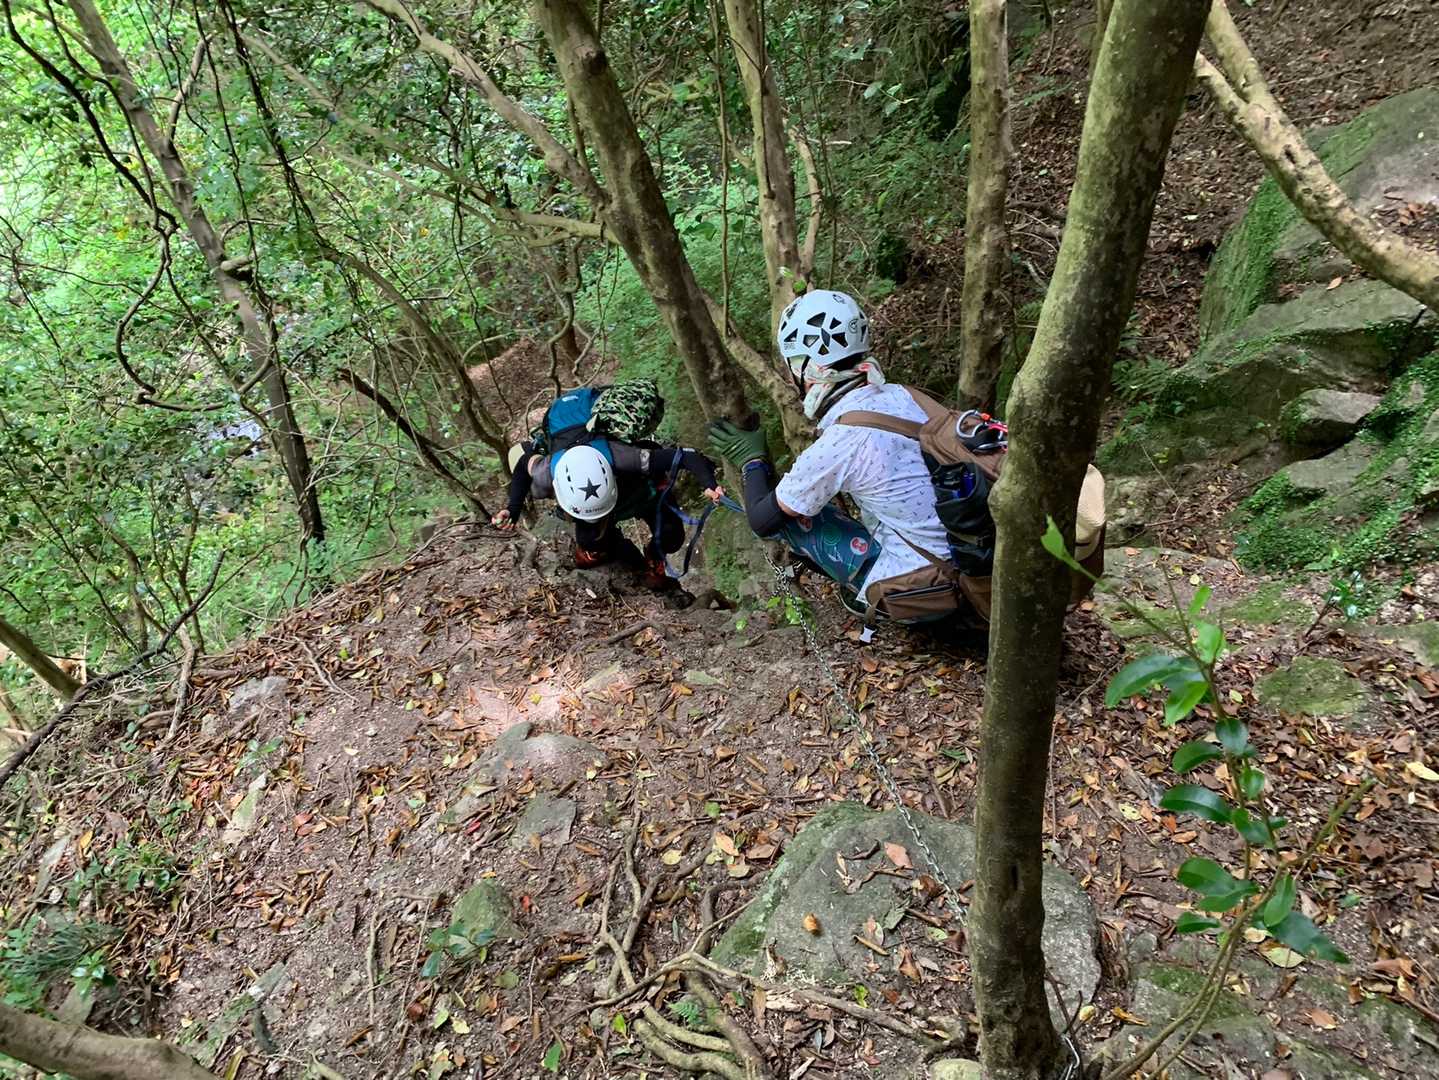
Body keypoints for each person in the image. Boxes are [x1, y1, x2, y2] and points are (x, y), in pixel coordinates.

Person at [707, 289, 983, 627]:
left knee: (795, 518)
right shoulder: (905, 395)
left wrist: (753, 461)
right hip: (978, 555)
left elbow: (762, 521)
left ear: (807, 367)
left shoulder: (840, 441)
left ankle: (888, 596)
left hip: (938, 583)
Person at [493, 430, 725, 591]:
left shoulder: (627, 458)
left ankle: (654, 556)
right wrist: (512, 510)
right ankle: (621, 553)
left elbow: (686, 456)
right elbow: (523, 465)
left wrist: (710, 484)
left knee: (671, 538)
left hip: (644, 493)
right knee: (591, 541)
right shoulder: (547, 472)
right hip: (609, 504)